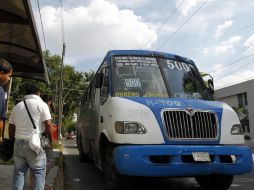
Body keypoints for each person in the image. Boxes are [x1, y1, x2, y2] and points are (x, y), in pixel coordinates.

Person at [8, 84, 53, 190]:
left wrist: (12, 140)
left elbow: (11, 127)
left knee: (19, 173)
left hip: (18, 143)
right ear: (38, 93)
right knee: (38, 173)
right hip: (35, 144)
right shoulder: (42, 105)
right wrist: (51, 141)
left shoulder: (17, 106)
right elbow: (48, 125)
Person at [0, 58, 13, 143]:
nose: (9, 79)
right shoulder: (0, 91)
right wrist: (0, 137)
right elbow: (0, 118)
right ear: (1, 74)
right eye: (8, 76)